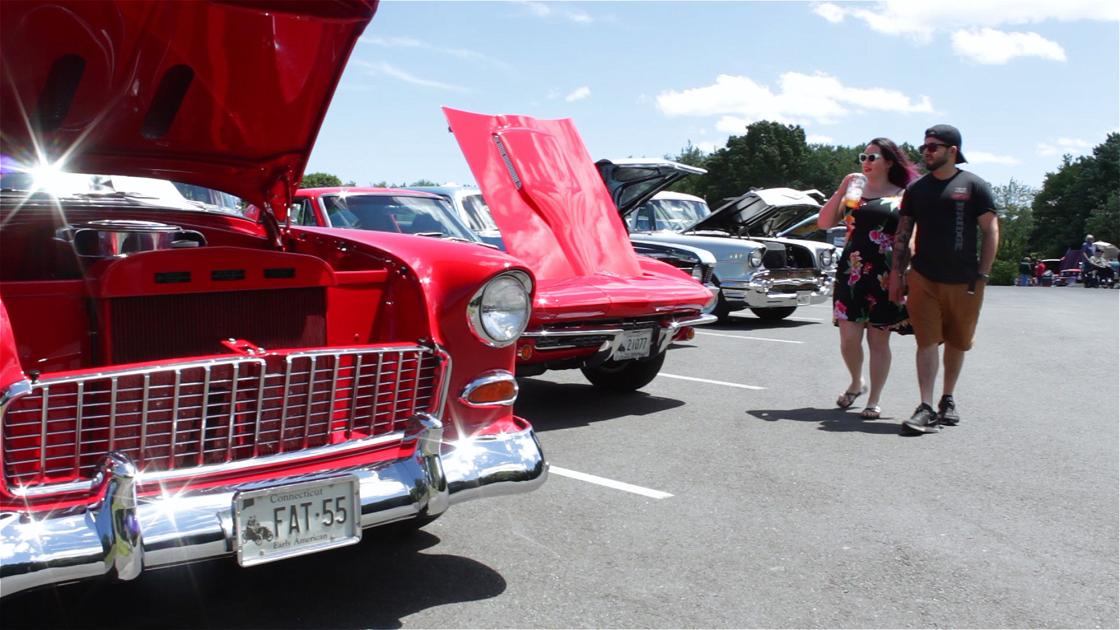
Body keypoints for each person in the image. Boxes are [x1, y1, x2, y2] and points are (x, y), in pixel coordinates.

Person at [888, 124, 999, 434]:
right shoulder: (917, 190)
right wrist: (897, 274)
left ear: (952, 151)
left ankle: (947, 399)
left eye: (934, 146)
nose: (927, 151)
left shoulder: (974, 186)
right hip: (923, 277)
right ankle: (925, 405)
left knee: (957, 341)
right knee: (926, 342)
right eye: (925, 146)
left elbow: (990, 230)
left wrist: (983, 274)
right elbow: (903, 232)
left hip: (965, 280)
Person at [817, 138, 917, 420]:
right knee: (848, 338)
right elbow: (824, 223)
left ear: (888, 161)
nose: (866, 161)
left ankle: (874, 399)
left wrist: (904, 272)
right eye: (863, 156)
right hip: (852, 270)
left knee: (878, 340)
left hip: (886, 274)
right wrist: (842, 187)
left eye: (873, 157)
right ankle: (855, 382)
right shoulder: (854, 189)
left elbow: (909, 236)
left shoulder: (904, 194)